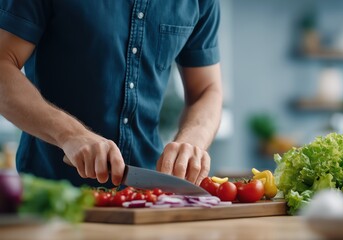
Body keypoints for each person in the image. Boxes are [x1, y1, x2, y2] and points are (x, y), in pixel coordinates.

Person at [0, 0, 223, 187]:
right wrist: (71, 134)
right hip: (52, 195)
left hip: (148, 195)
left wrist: (192, 142)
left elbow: (207, 89)